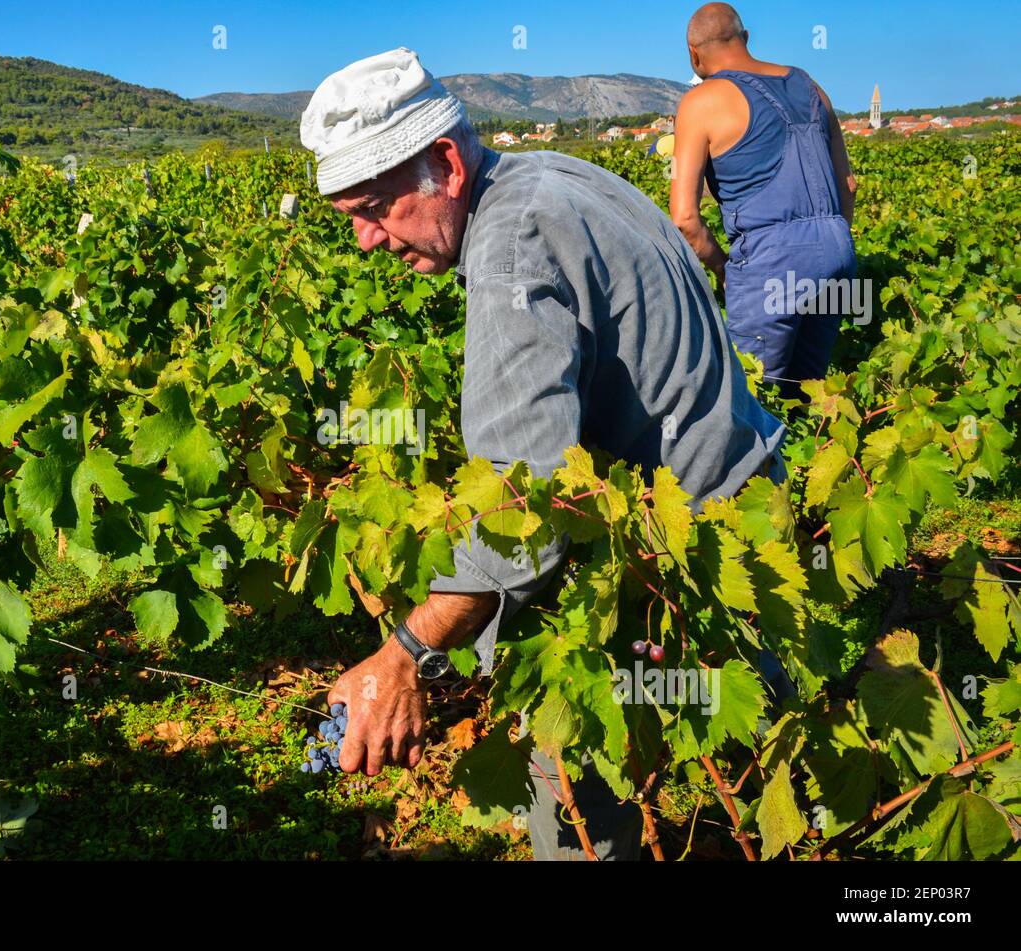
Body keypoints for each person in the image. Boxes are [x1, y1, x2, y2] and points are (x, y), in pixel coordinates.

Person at [300, 47, 787, 860]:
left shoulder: (510, 247)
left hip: (681, 551)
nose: (363, 240)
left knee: (579, 805)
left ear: (445, 164)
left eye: (374, 208)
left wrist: (408, 653)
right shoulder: (547, 176)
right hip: (736, 508)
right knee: (758, 777)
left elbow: (524, 515)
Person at [670, 2, 857, 398]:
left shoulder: (701, 102)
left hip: (771, 263)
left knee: (751, 401)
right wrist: (829, 243)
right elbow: (849, 184)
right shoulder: (811, 86)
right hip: (838, 251)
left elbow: (685, 218)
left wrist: (725, 270)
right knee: (809, 395)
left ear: (693, 53)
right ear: (746, 38)